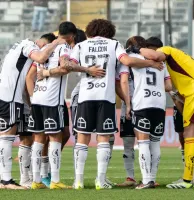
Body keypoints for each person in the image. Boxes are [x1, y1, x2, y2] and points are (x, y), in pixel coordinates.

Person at [67, 19, 164, 190]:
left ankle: (78, 181)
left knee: (82, 138)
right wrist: (151, 63)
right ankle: (100, 180)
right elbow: (127, 61)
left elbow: (68, 65)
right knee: (103, 139)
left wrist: (87, 70)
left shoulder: (81, 46)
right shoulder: (113, 44)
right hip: (106, 97)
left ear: (90, 30)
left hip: (85, 96)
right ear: (109, 31)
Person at [28, 22, 105, 190]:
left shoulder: (46, 47)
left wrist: (45, 73)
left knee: (39, 139)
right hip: (51, 99)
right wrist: (88, 69)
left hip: (37, 97)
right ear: (71, 36)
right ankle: (55, 180)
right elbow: (65, 66)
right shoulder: (64, 48)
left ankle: (36, 180)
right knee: (55, 138)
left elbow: (36, 70)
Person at [0, 34, 66, 189]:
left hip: (19, 99)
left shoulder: (20, 48)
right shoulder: (28, 45)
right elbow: (42, 57)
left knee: (26, 138)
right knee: (6, 136)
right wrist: (55, 43)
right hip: (9, 96)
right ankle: (6, 180)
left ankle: (24, 179)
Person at [139, 41, 194, 189]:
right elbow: (177, 97)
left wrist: (138, 49)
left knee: (190, 134)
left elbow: (156, 55)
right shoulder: (176, 67)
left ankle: (186, 181)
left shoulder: (165, 50)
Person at [120, 36, 172, 189]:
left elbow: (126, 64)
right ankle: (152, 178)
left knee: (143, 141)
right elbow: (168, 86)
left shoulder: (134, 57)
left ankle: (146, 180)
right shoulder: (161, 63)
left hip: (142, 102)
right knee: (155, 142)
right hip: (159, 103)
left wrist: (128, 105)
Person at [116, 36, 145, 187]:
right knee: (142, 142)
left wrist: (127, 102)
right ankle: (138, 177)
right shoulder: (144, 61)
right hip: (140, 104)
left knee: (133, 143)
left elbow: (120, 83)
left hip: (135, 104)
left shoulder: (127, 62)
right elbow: (120, 83)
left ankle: (137, 177)